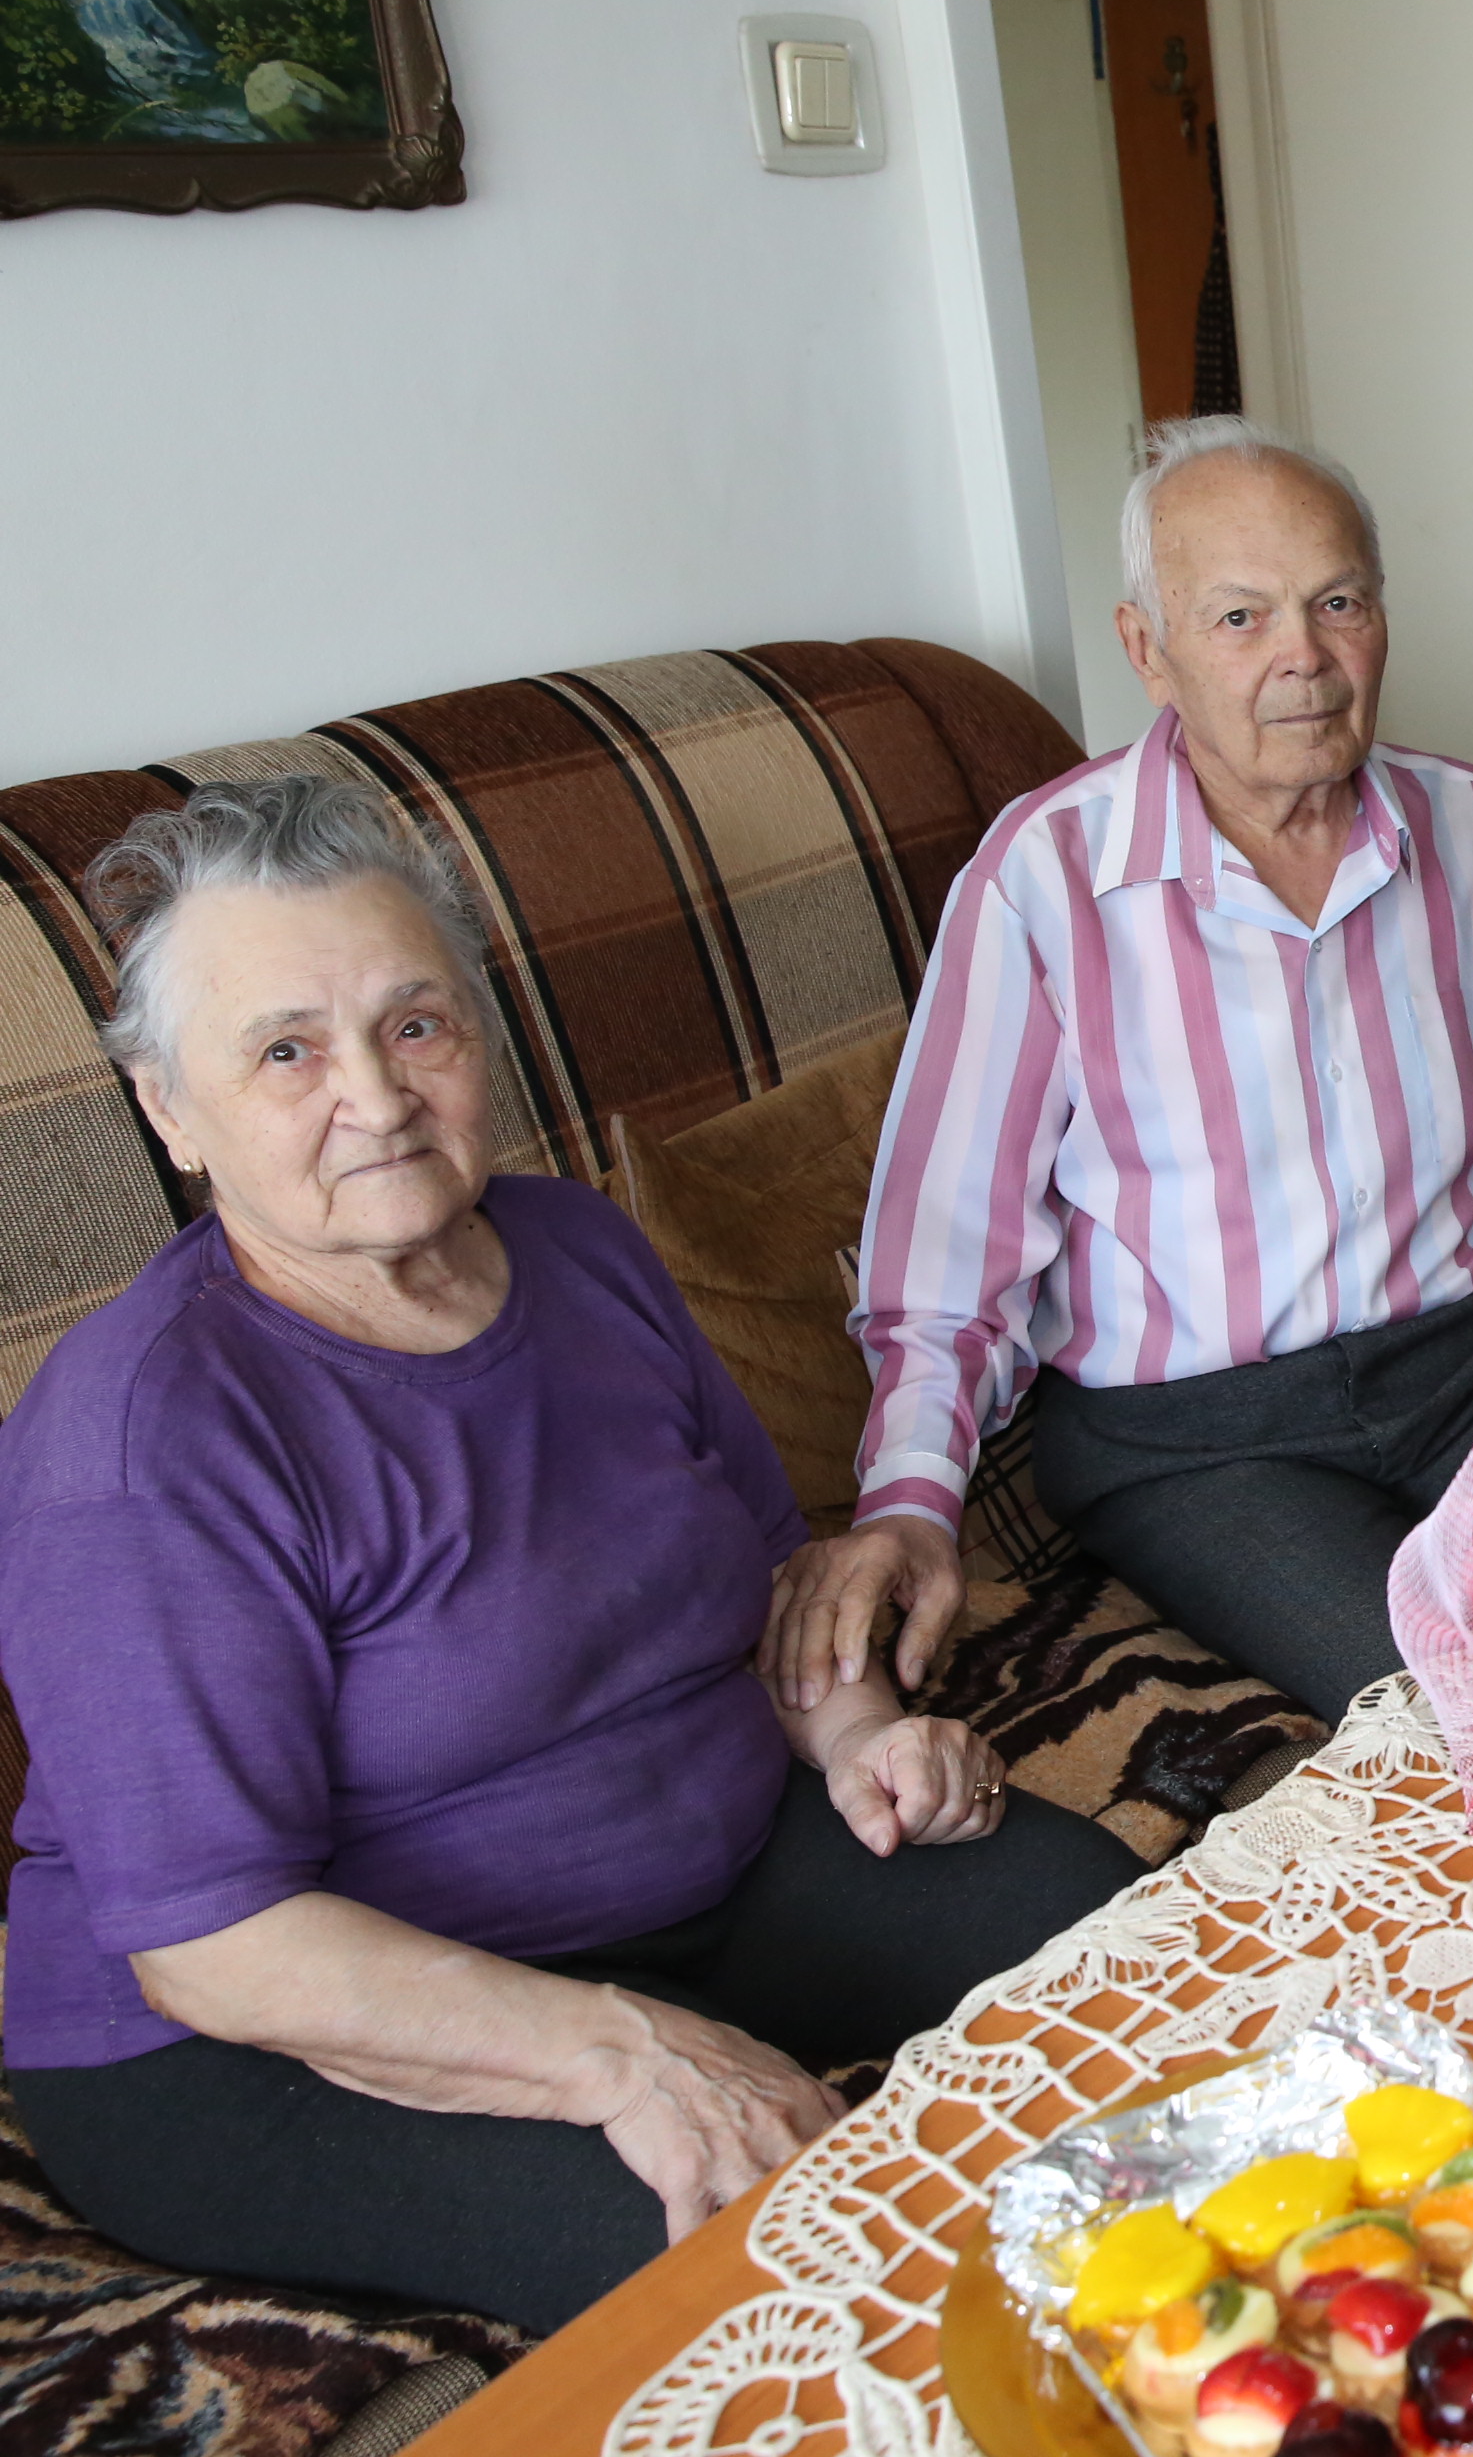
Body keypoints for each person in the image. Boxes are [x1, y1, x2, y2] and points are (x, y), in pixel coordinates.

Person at [0, 777, 1146, 2335]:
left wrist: (865, 1737)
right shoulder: (143, 1439)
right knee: (776, 2271)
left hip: (697, 1872)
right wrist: (627, 2053)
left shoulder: (580, 1246)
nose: (378, 1095)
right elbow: (216, 1947)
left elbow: (768, 1589)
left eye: (416, 1024)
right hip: (253, 2043)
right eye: (287, 1051)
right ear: (170, 1111)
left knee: (1117, 1954)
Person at [771, 418, 1473, 1722]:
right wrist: (912, 1501)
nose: (1303, 655)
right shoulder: (1045, 882)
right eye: (1240, 617)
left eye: (1338, 602)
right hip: (1197, 1440)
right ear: (1150, 649)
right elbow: (946, 1261)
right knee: (1467, 1709)